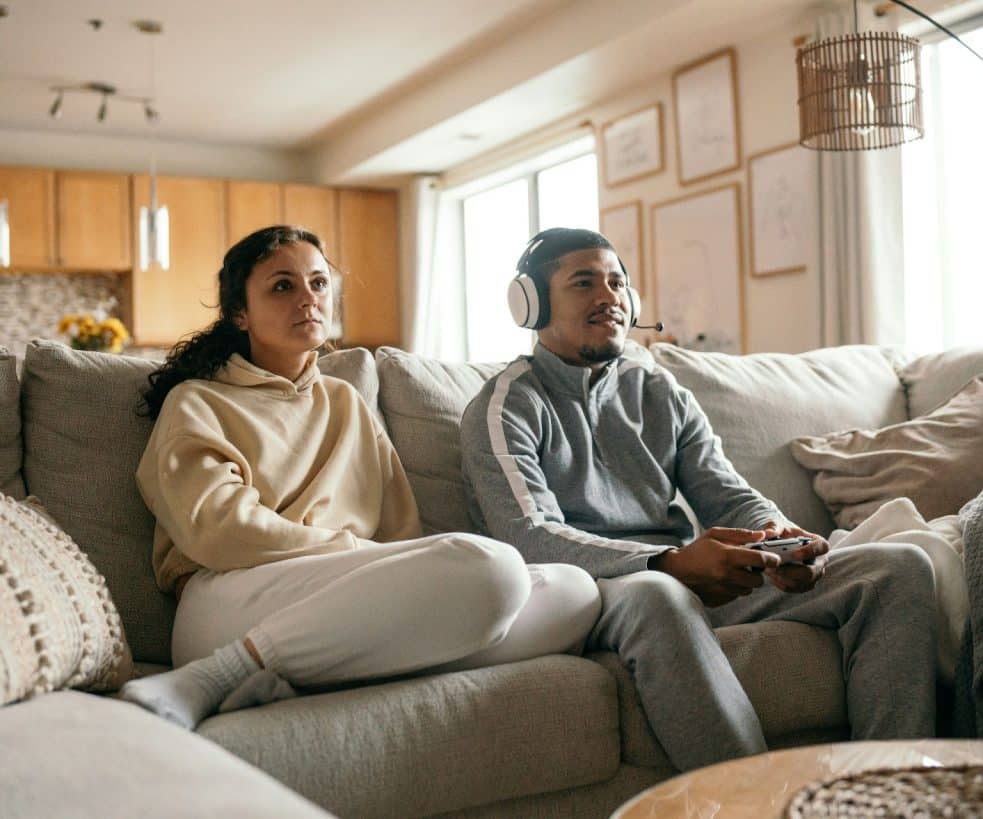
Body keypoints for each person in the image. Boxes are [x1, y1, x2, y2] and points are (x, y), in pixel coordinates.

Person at [460, 227, 938, 772]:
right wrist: (668, 562)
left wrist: (778, 539)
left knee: (897, 567)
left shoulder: (659, 391)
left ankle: (892, 792)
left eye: (617, 282)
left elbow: (726, 494)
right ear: (532, 304)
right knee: (658, 595)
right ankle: (752, 808)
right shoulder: (506, 406)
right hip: (595, 587)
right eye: (584, 283)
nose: (609, 297)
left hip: (684, 571)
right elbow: (529, 534)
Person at [120, 225, 600, 730]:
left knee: (575, 593)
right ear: (240, 312)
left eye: (319, 284)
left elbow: (400, 534)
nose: (308, 298)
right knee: (494, 569)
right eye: (284, 286)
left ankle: (310, 671)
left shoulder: (345, 401)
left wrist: (385, 572)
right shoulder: (198, 401)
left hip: (353, 595)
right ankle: (212, 677)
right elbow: (219, 531)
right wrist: (358, 556)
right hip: (229, 597)